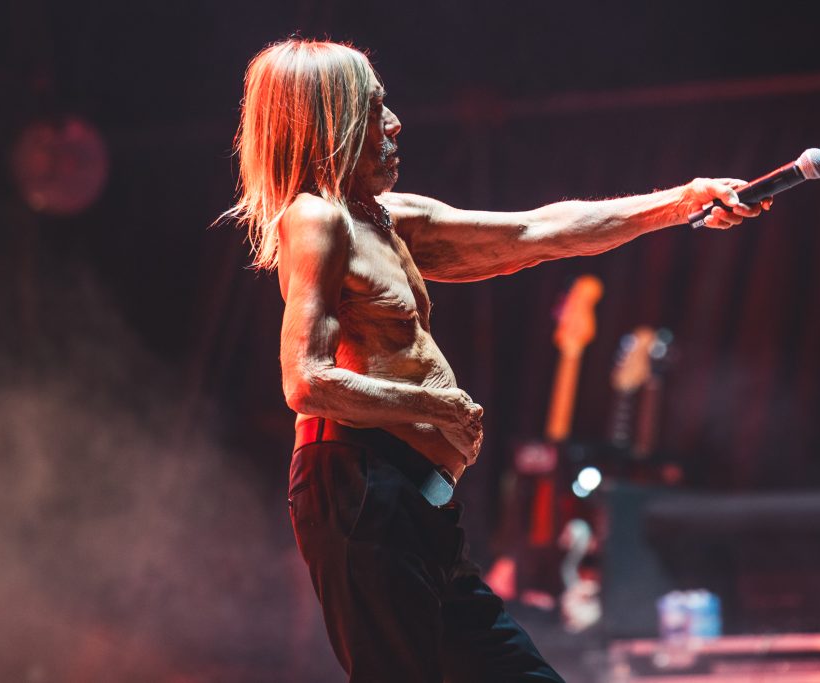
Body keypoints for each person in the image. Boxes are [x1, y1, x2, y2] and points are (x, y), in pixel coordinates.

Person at [222, 38, 771, 682]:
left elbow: (538, 232)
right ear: (332, 121)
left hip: (415, 503)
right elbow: (304, 380)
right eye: (374, 109)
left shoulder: (387, 220)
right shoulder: (315, 220)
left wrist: (683, 201)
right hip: (358, 486)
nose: (395, 124)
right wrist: (432, 403)